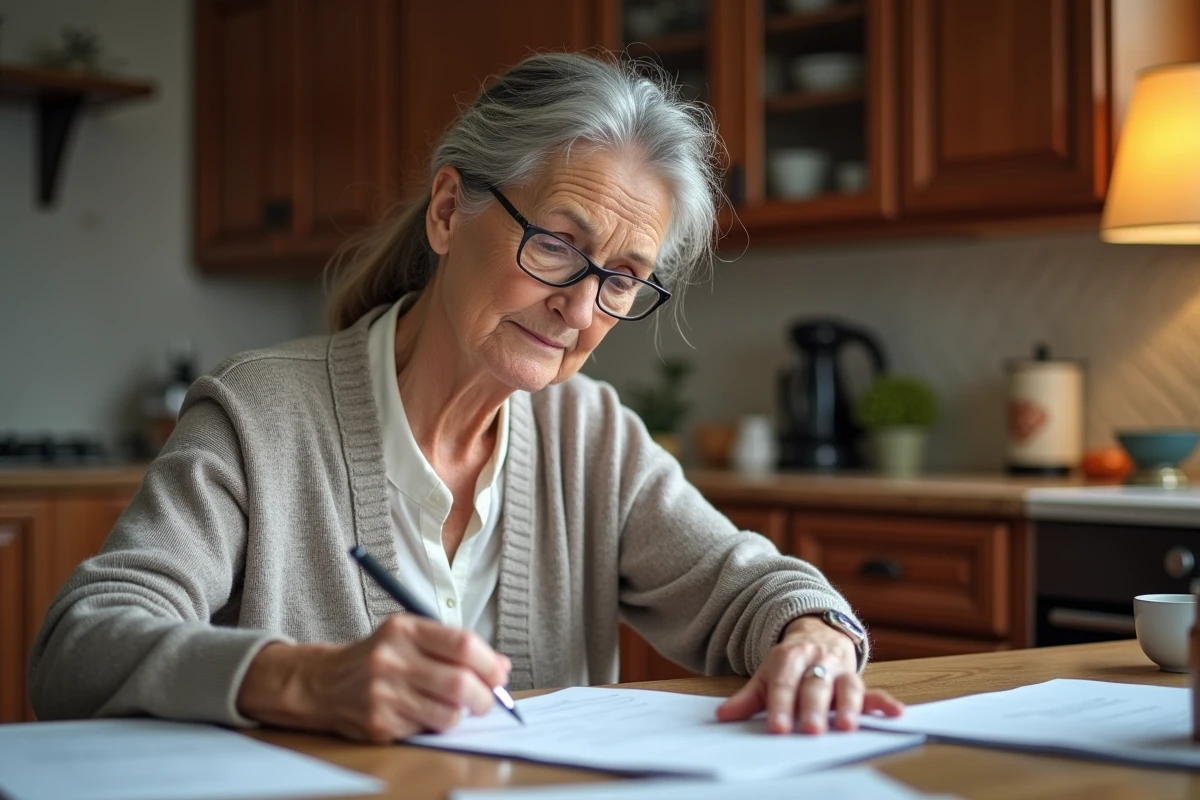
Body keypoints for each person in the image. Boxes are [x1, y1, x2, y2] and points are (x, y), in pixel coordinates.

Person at [30, 53, 902, 742]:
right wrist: (299, 679)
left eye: (623, 278)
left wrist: (814, 635)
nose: (578, 305)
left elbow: (745, 586)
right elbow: (78, 646)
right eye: (559, 243)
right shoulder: (260, 415)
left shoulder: (589, 434)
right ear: (449, 211)